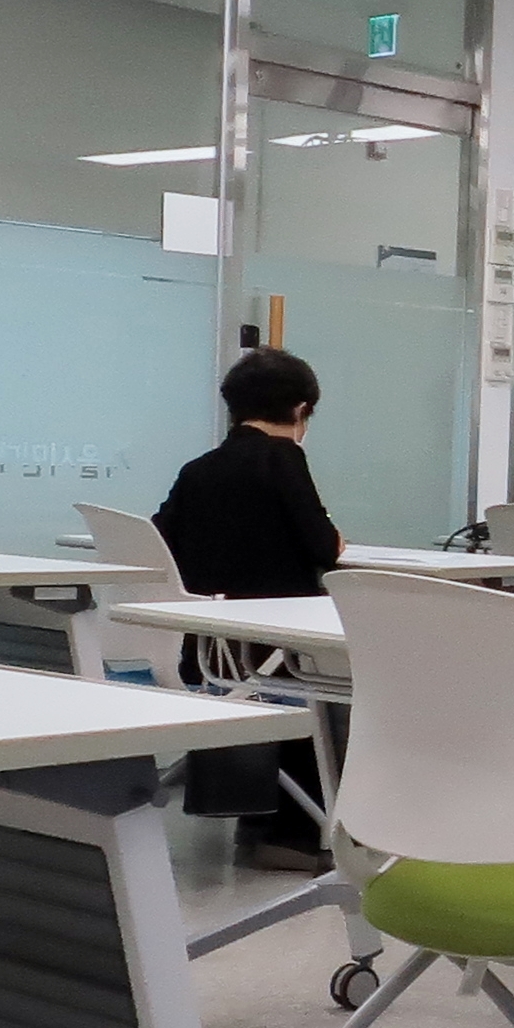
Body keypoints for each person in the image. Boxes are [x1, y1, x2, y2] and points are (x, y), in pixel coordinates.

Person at [154, 347, 345, 871]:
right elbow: (323, 547)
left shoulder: (198, 470)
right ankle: (296, 835)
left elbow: (162, 539)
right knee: (336, 683)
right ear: (301, 411)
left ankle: (257, 824)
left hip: (210, 646)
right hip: (278, 648)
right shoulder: (284, 459)